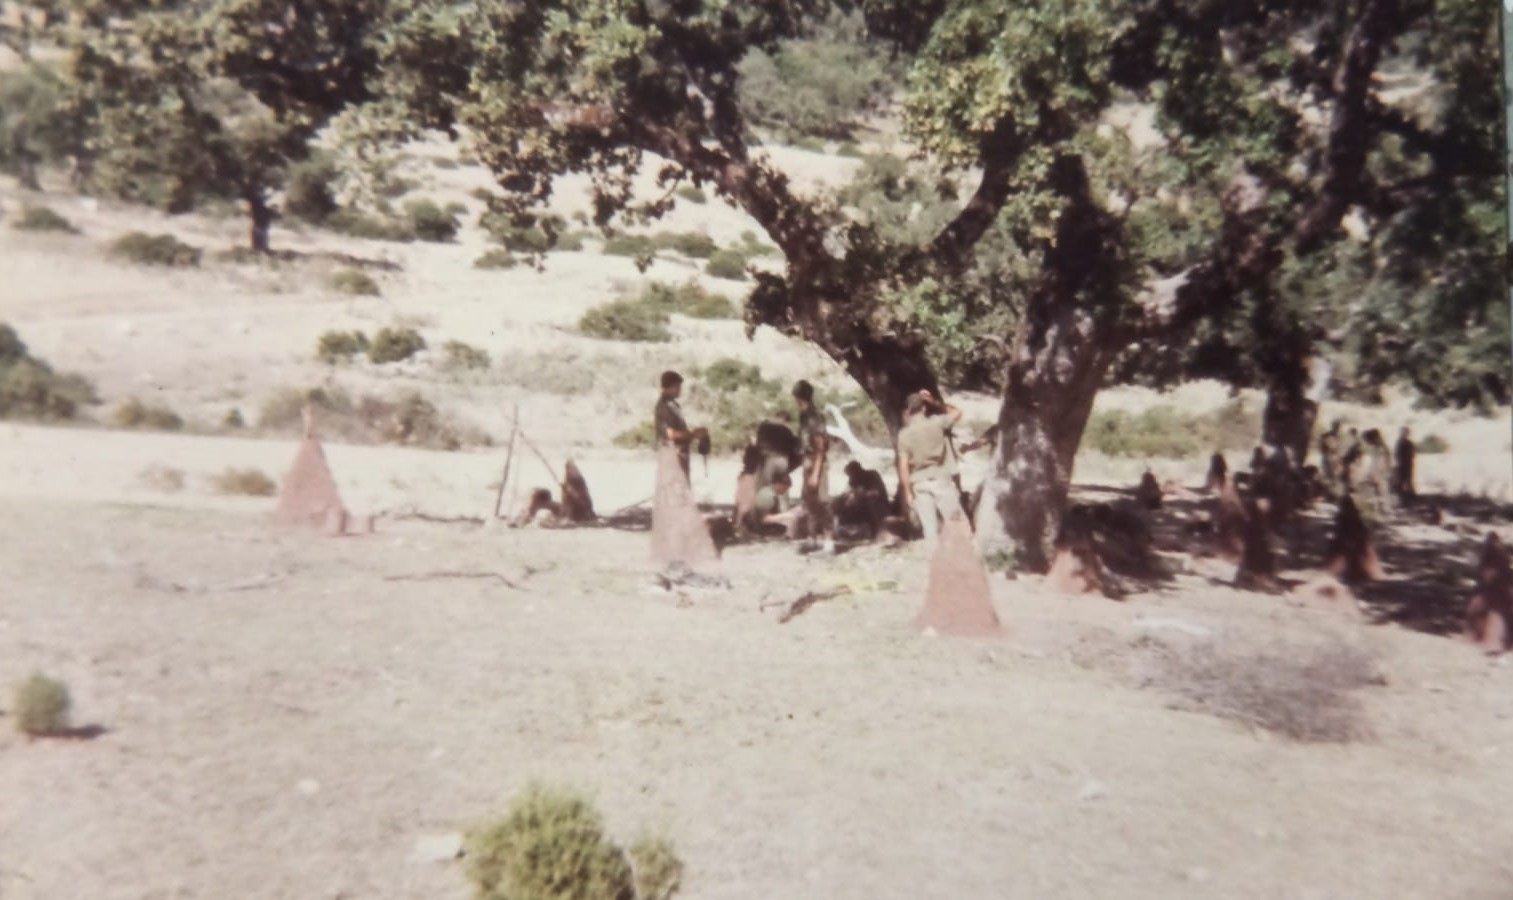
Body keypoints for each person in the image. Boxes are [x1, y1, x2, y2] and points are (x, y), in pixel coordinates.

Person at [896, 389, 963, 546]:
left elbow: (903, 466)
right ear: (924, 408)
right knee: (956, 524)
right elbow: (958, 412)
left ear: (908, 411)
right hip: (941, 478)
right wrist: (934, 402)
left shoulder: (904, 435)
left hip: (919, 483)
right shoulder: (937, 422)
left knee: (930, 531)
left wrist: (908, 492)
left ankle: (934, 559)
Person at [792, 380, 833, 548]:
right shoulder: (804, 416)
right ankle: (812, 538)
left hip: (817, 462)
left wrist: (816, 474)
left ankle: (829, 541)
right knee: (809, 503)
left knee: (822, 501)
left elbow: (820, 447)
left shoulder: (814, 417)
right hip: (808, 461)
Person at [654, 370, 706, 479]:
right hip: (671, 456)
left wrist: (695, 434)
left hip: (679, 456)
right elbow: (670, 434)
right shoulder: (663, 407)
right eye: (677, 387)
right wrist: (693, 434)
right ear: (668, 387)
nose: (679, 390)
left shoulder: (673, 405)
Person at [835, 460, 890, 542]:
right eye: (849, 475)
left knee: (869, 503)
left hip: (879, 504)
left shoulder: (872, 475)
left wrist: (861, 495)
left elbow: (876, 493)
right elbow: (848, 492)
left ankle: (875, 532)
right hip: (863, 504)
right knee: (842, 503)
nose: (850, 477)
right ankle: (844, 531)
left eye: (851, 475)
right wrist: (845, 498)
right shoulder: (853, 480)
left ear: (857, 471)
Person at [1394, 426, 1416, 502]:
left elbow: (1412, 455)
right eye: (1403, 432)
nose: (1404, 434)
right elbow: (1396, 454)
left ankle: (1409, 497)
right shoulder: (1399, 443)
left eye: (1405, 432)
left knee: (1407, 480)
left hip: (1407, 465)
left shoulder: (1408, 443)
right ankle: (1404, 497)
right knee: (1401, 481)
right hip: (1402, 465)